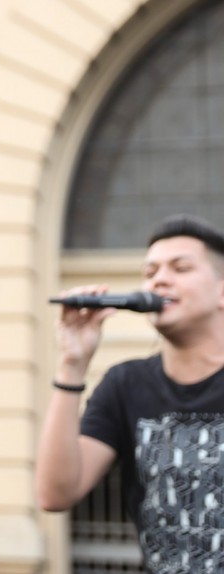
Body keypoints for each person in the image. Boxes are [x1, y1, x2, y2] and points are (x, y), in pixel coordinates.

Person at [36, 214, 224, 573]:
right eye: (150, 271)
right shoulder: (124, 384)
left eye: (180, 268)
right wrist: (72, 363)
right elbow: (55, 494)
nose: (159, 279)